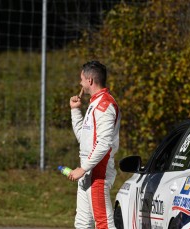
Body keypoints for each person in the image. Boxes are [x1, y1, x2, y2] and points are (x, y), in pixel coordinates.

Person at [69, 61, 121, 229]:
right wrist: (75, 111)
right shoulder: (94, 103)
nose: (80, 83)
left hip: (98, 172)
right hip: (87, 171)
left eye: (81, 79)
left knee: (104, 223)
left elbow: (104, 143)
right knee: (83, 223)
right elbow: (84, 139)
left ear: (90, 80)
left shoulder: (105, 105)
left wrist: (83, 168)